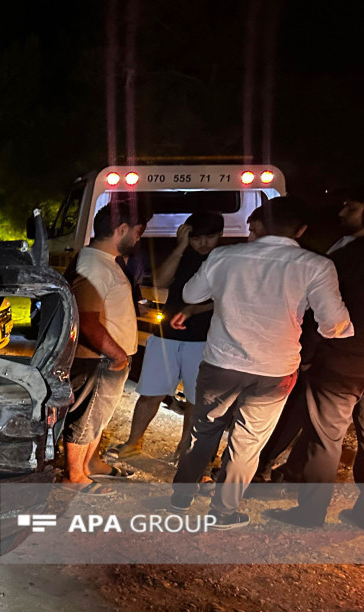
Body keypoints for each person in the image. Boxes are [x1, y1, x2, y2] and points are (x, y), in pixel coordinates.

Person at [170, 196, 354, 527]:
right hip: (275, 369)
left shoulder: (224, 256)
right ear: (300, 229)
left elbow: (191, 295)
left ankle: (180, 498)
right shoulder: (316, 265)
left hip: (221, 363)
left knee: (204, 430)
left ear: (255, 225)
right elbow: (334, 325)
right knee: (248, 442)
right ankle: (223, 512)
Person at [266, 186, 364, 527]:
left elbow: (322, 312)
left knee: (325, 438)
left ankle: (310, 513)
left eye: (350, 206)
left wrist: (307, 355)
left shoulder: (345, 258)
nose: (342, 211)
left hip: (341, 364)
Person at [115, 212, 224, 460]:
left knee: (196, 400)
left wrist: (197, 309)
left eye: (210, 237)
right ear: (187, 234)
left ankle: (185, 448)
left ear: (220, 235)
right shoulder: (182, 253)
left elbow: (229, 298)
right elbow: (161, 282)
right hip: (166, 336)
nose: (203, 243)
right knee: (150, 393)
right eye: (197, 238)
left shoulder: (224, 258)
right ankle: (134, 442)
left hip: (204, 339)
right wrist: (180, 247)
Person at [61, 201, 148, 491]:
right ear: (121, 229)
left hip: (106, 359)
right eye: (137, 232)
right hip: (98, 359)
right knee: (85, 418)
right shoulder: (93, 265)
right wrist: (116, 354)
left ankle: (91, 463)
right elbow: (86, 320)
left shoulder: (103, 261)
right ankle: (74, 477)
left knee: (98, 416)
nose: (138, 238)